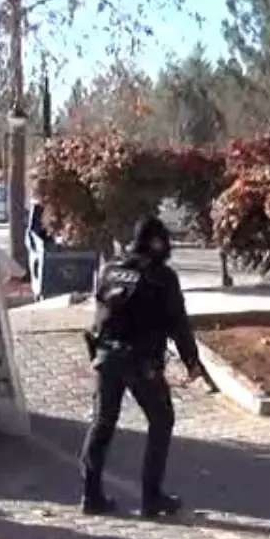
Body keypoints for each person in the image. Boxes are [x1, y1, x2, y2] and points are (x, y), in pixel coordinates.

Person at [80, 216, 202, 518]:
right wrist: (192, 361)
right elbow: (179, 324)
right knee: (161, 421)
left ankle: (91, 495)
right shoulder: (161, 276)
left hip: (106, 358)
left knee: (102, 423)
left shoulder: (111, 269)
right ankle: (152, 497)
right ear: (157, 242)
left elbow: (98, 312)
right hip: (141, 362)